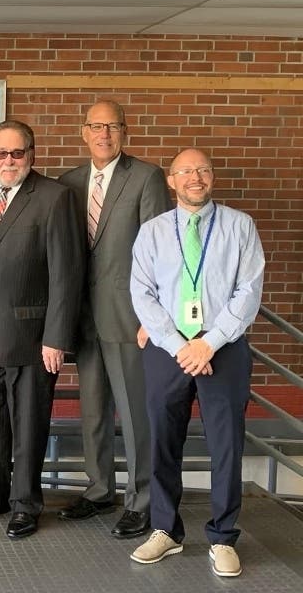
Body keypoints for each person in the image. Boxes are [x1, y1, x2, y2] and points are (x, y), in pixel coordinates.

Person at [129, 148, 264, 578]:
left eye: (203, 170)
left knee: (227, 445)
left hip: (223, 351)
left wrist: (209, 343)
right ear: (171, 180)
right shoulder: (151, 232)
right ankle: (166, 530)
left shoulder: (240, 226)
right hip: (168, 351)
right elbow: (142, 292)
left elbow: (248, 291)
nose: (195, 178)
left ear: (212, 177)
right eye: (186, 171)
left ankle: (223, 536)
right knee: (162, 440)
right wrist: (179, 345)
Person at [0, 120, 83, 540]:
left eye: (17, 154)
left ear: (31, 154)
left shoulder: (54, 197)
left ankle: (26, 504)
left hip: (32, 338)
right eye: (1, 154)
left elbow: (67, 273)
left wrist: (56, 337)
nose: (8, 161)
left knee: (28, 426)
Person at [57, 100, 172, 539]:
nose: (104, 134)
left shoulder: (145, 178)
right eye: (96, 126)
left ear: (125, 132)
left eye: (113, 126)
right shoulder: (69, 182)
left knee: (134, 412)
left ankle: (141, 501)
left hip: (130, 321)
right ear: (83, 132)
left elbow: (161, 254)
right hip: (83, 320)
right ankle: (99, 489)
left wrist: (153, 317)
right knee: (94, 412)